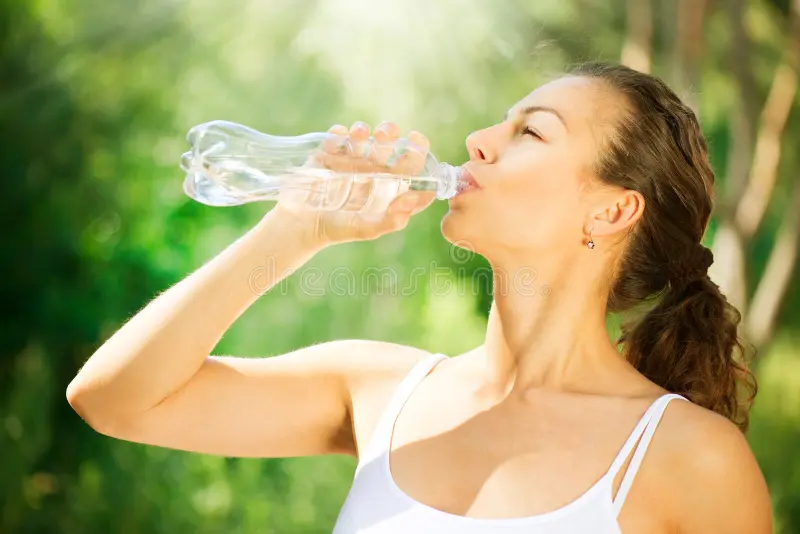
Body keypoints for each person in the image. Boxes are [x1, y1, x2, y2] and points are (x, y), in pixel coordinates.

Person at [66, 62, 772, 533]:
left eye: (530, 131)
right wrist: (296, 229)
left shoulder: (686, 456)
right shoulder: (377, 390)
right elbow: (113, 398)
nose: (478, 142)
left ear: (612, 211)